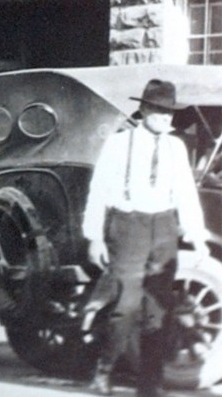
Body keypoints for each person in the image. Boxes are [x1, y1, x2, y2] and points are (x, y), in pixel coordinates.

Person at [83, 79, 208, 397]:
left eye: (170, 112)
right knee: (125, 306)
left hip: (164, 228)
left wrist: (196, 234)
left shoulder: (175, 147)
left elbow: (185, 193)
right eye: (160, 111)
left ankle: (149, 383)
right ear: (143, 109)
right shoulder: (118, 144)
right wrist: (95, 236)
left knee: (158, 310)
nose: (167, 118)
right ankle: (104, 369)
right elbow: (98, 191)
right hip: (128, 227)